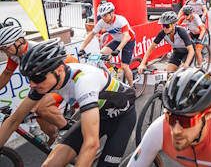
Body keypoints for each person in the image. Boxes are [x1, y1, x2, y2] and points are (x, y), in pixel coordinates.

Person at [0, 39, 136, 167]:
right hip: (99, 114)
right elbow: (13, 121)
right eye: (30, 78)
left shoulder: (83, 82)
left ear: (59, 69)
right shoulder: (45, 81)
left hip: (122, 118)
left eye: (37, 78)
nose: (32, 84)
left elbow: (91, 144)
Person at [127, 67, 211, 166]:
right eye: (170, 118)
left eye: (185, 121)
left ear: (209, 113)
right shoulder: (160, 129)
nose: (175, 130)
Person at [0, 26, 68, 146]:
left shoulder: (34, 50)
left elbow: (49, 82)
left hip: (61, 80)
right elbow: (7, 73)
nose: (5, 52)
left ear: (19, 41)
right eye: (2, 49)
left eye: (6, 47)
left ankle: (67, 133)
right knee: (39, 117)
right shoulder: (15, 53)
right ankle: (54, 137)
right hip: (46, 83)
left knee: (41, 107)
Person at [79, 2, 136, 88]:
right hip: (117, 40)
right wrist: (82, 49)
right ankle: (116, 69)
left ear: (112, 13)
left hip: (128, 40)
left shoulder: (120, 20)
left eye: (105, 15)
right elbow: (91, 34)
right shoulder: (102, 22)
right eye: (102, 16)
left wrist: (118, 49)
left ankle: (132, 87)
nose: (103, 18)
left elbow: (126, 36)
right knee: (101, 54)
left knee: (124, 66)